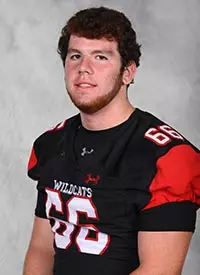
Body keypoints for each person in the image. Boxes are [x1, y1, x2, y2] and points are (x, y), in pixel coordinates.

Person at [23, 6, 200, 275]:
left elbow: (159, 270)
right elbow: (42, 249)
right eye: (75, 56)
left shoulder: (168, 157)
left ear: (128, 72)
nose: (83, 68)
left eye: (100, 57)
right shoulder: (50, 144)